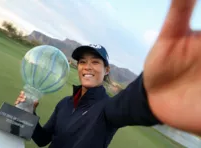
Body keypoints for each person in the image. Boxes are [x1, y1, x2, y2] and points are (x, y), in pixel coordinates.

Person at [15, 0, 201, 147]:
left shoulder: (107, 109)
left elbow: (128, 105)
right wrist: (29, 113)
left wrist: (149, 92)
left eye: (95, 62)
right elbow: (42, 140)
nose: (87, 67)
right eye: (82, 62)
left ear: (107, 70)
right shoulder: (64, 104)